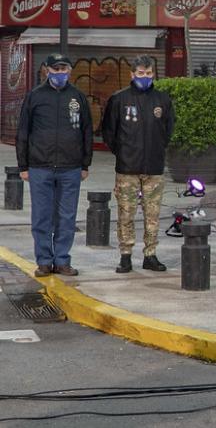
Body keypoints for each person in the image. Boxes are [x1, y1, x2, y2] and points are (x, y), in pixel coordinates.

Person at [16, 54, 92, 277]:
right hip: (40, 167)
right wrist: (23, 165)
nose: (60, 73)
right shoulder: (35, 96)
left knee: (66, 217)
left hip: (71, 168)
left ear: (70, 70)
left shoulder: (77, 97)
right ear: (46, 70)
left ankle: (62, 261)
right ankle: (44, 261)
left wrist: (85, 163)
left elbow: (87, 130)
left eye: (64, 68)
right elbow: (23, 131)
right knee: (41, 217)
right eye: (56, 68)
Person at [102, 55, 174, 273]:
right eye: (141, 73)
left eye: (149, 73)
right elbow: (108, 132)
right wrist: (124, 153)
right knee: (126, 214)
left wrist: (157, 150)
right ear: (132, 74)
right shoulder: (119, 99)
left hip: (154, 168)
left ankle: (150, 255)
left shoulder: (162, 99)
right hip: (127, 169)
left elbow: (168, 130)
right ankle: (126, 256)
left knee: (152, 215)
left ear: (154, 74)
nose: (145, 77)